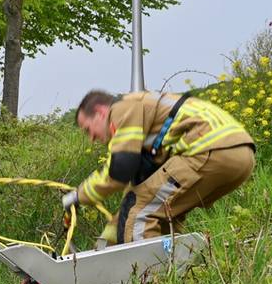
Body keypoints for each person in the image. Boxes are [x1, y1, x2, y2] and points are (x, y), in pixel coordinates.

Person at [65, 89, 255, 244]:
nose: (91, 138)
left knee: (139, 216)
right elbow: (140, 184)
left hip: (208, 149)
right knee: (166, 216)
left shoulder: (124, 108)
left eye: (88, 129)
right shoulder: (149, 113)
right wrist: (108, 239)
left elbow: (120, 169)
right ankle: (176, 280)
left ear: (100, 112)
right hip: (240, 154)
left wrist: (77, 196)